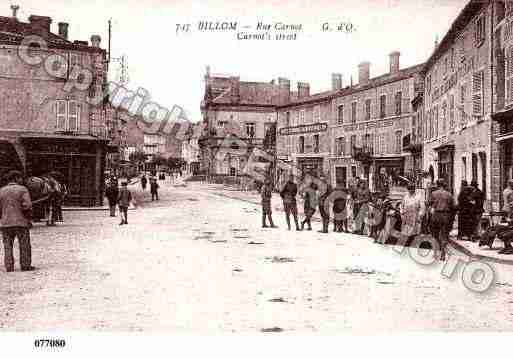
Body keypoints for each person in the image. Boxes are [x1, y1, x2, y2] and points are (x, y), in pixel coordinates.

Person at [0, 170, 35, 272]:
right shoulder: (22, 189)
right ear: (16, 178)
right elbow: (27, 205)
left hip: (5, 223)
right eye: (20, 178)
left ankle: (9, 266)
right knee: (24, 244)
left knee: (7, 245)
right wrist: (28, 218)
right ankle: (25, 265)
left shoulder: (1, 190)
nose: (22, 180)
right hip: (21, 222)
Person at [428, 179, 456, 261]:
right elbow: (453, 207)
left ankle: (436, 252)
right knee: (444, 235)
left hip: (436, 215)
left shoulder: (433, 193)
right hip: (446, 216)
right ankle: (443, 253)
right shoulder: (449, 194)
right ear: (444, 185)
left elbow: (429, 204)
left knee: (435, 234)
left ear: (437, 185)